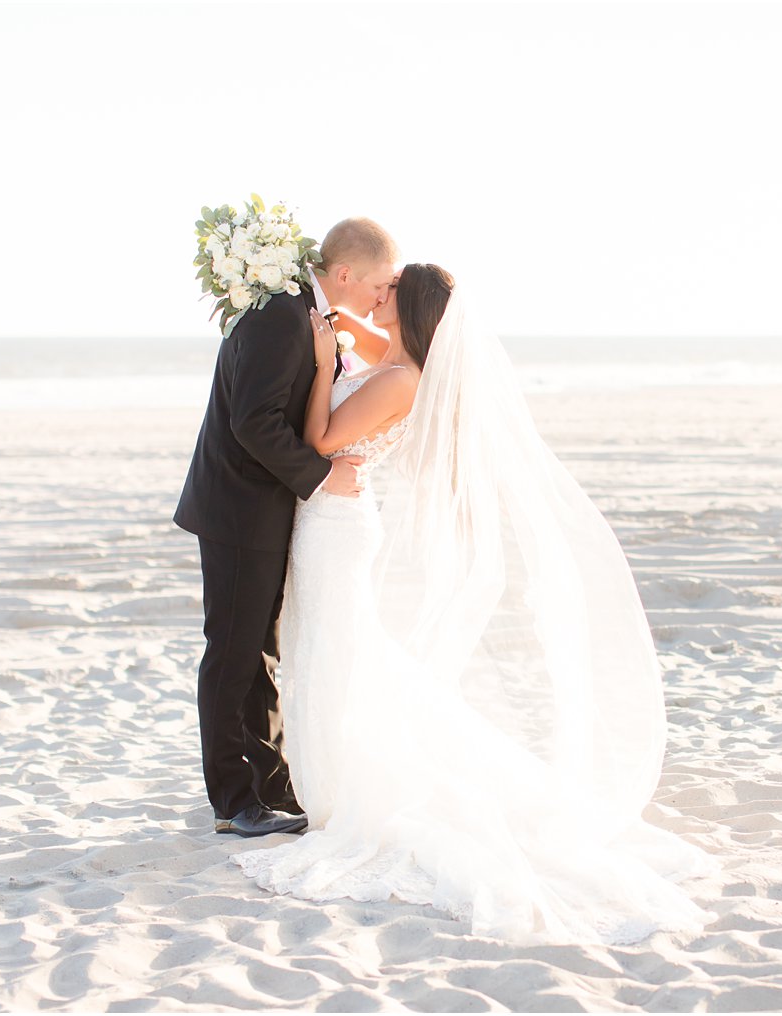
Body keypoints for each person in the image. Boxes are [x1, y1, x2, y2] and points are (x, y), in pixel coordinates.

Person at [230, 265, 719, 944]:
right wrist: (331, 328)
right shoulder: (395, 358)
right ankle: (323, 777)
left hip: (335, 529)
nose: (379, 295)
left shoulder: (401, 377)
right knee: (335, 647)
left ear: (414, 308)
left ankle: (341, 785)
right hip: (335, 520)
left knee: (339, 649)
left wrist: (318, 369)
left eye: (390, 290)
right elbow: (359, 341)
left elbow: (321, 441)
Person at [173, 217, 400, 839]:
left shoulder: (308, 314)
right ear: (346, 274)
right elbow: (254, 423)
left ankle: (272, 788)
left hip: (263, 508)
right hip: (239, 510)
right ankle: (232, 800)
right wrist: (325, 477)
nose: (382, 297)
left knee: (258, 655)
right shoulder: (282, 315)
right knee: (233, 654)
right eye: (379, 284)